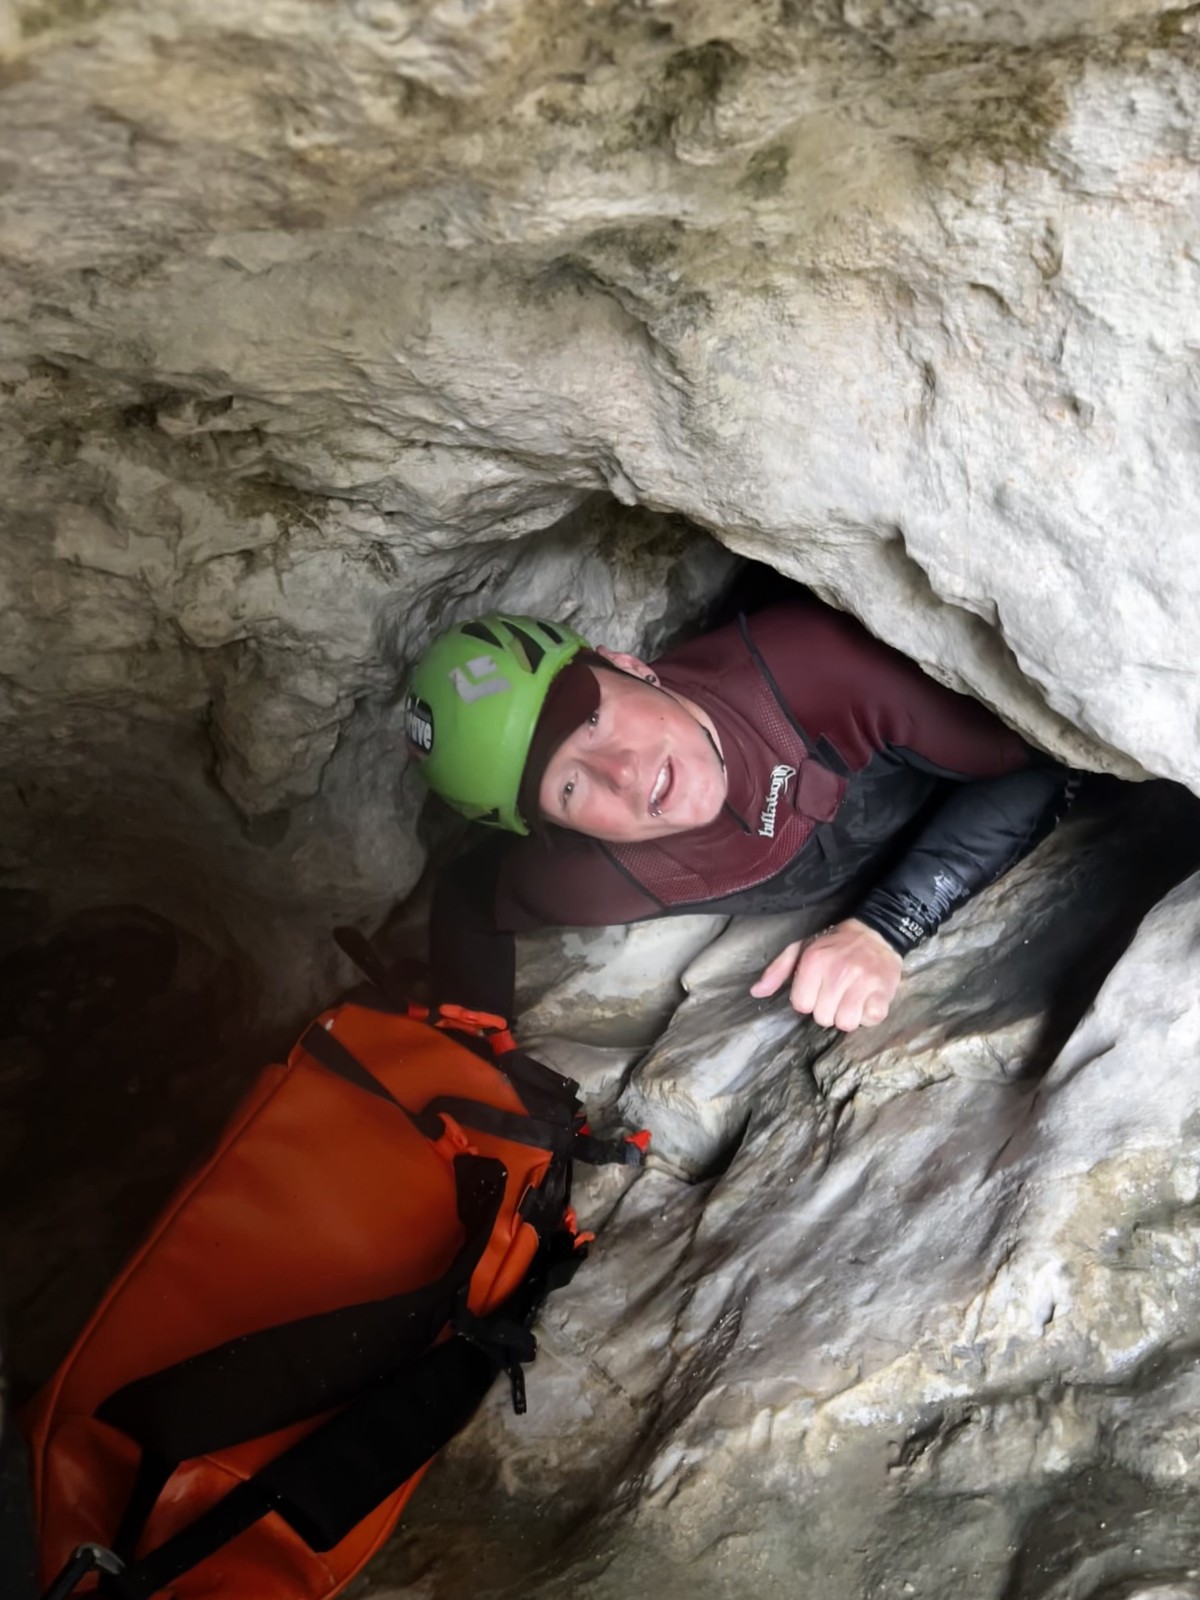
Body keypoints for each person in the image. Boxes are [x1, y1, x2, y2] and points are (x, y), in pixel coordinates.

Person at [404, 599, 1076, 1033]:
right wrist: (470, 1053)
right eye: (570, 790)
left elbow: (1051, 758)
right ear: (565, 832)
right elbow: (470, 896)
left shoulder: (816, 673)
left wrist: (885, 927)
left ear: (629, 665)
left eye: (594, 719)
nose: (623, 772)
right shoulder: (599, 875)